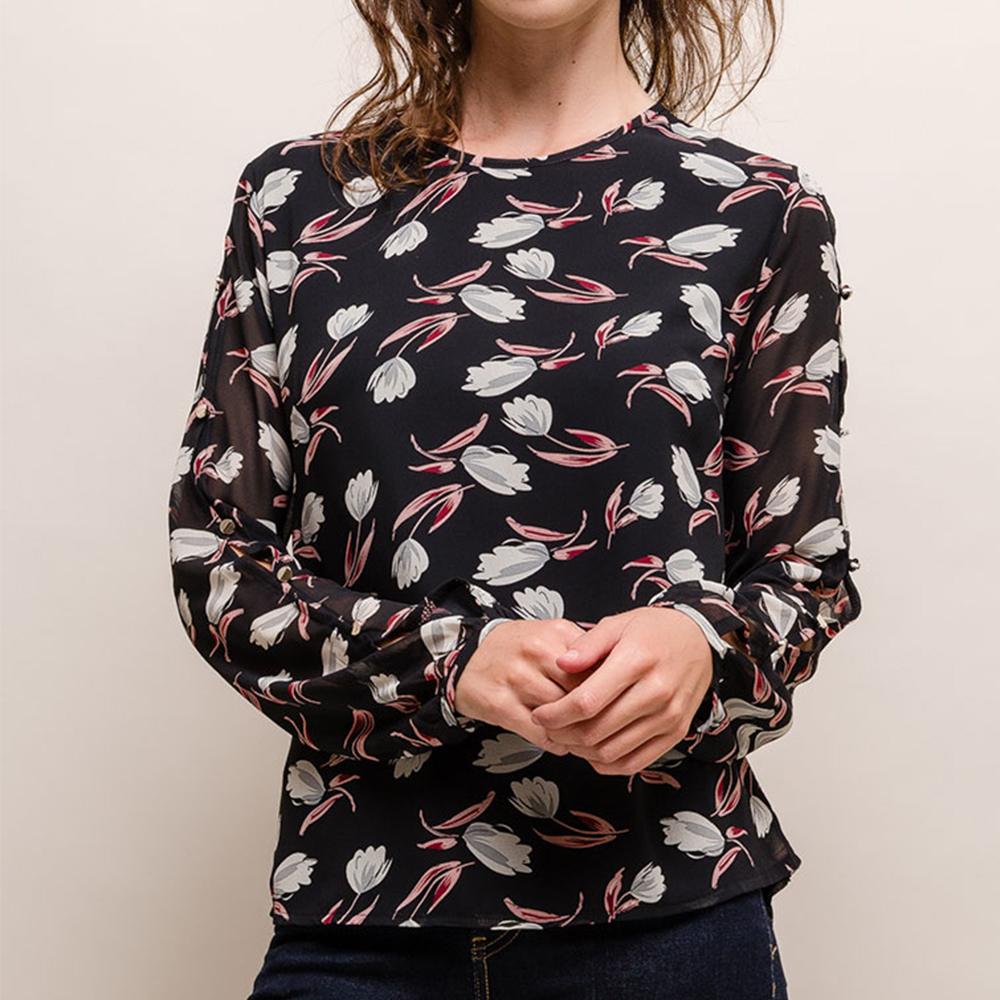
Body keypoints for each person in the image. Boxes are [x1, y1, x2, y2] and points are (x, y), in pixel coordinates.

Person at [167, 0, 863, 996]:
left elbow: (806, 575)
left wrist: (698, 643)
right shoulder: (297, 202)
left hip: (669, 915)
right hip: (364, 915)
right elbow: (220, 566)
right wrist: (451, 660)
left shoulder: (758, 210)